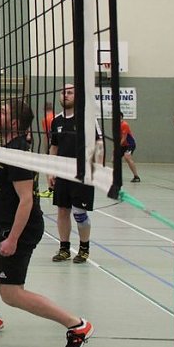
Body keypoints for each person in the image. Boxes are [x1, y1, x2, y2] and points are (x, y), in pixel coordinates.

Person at [0, 99, 94, 347]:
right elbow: (8, 195)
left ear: (14, 123)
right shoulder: (9, 149)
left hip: (20, 227)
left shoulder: (18, 154)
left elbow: (26, 200)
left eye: (2, 112)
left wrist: (12, 239)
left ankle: (76, 325)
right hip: (3, 220)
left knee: (12, 294)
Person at [49, 84, 100, 264]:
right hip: (62, 173)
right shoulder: (56, 121)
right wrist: (51, 171)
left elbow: (99, 144)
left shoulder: (87, 118)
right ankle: (64, 249)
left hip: (82, 174)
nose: (66, 95)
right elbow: (54, 147)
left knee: (79, 213)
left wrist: (96, 169)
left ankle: (84, 248)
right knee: (62, 210)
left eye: (70, 92)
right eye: (63, 92)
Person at [118, 112, 140, 183]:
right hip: (123, 145)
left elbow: (124, 138)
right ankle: (116, 176)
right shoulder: (116, 126)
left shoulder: (124, 125)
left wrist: (118, 146)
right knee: (114, 159)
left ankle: (136, 176)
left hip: (130, 144)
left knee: (127, 157)